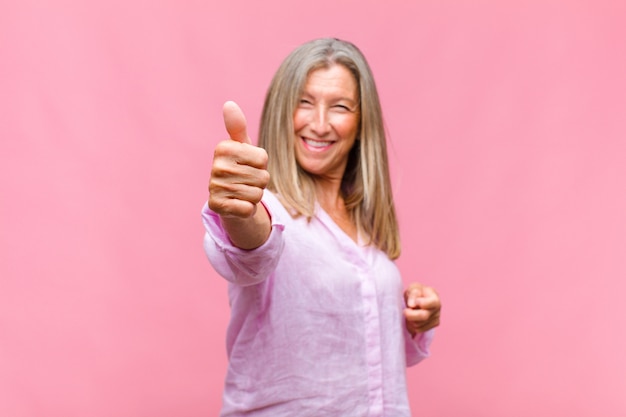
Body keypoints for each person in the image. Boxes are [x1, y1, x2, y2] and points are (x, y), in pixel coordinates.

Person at [202, 38, 441, 417]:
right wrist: (237, 209)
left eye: (341, 106)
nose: (319, 123)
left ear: (362, 122)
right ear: (283, 109)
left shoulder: (365, 229)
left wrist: (412, 317)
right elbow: (252, 248)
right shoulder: (269, 209)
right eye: (304, 102)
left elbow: (356, 350)